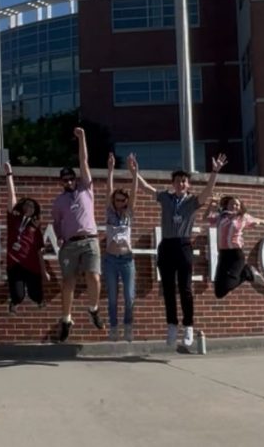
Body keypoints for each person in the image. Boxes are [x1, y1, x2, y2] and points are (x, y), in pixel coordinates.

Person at [136, 153, 226, 350]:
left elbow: (208, 191)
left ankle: (188, 326)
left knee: (185, 288)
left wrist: (214, 172)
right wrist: (135, 172)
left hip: (184, 245)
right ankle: (171, 325)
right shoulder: (165, 198)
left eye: (184, 181)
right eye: (177, 181)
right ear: (173, 183)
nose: (180, 184)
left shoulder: (192, 201)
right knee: (167, 288)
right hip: (166, 246)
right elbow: (145, 188)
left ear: (188, 185)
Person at [50, 127, 104, 342]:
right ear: (61, 182)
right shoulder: (59, 202)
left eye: (71, 179)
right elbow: (56, 223)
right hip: (70, 244)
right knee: (68, 282)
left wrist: (82, 138)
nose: (69, 182)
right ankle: (66, 319)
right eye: (65, 180)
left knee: (93, 276)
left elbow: (84, 161)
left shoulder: (86, 190)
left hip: (90, 239)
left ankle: (93, 308)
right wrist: (60, 236)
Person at [209, 195, 264, 298]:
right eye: (232, 204)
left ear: (240, 207)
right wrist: (212, 203)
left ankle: (247, 272)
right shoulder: (221, 216)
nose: (234, 206)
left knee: (229, 285)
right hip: (223, 255)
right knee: (219, 292)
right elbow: (206, 218)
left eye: (237, 204)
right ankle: (247, 273)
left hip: (235, 255)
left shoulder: (243, 217)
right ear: (227, 205)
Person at [3, 163, 49, 313]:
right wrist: (9, 175)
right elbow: (11, 197)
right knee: (18, 295)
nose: (29, 209)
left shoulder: (35, 228)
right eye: (26, 206)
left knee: (36, 295)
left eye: (32, 207)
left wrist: (44, 272)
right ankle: (14, 303)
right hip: (15, 263)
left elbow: (39, 252)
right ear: (22, 207)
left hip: (32, 265)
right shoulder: (14, 220)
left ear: (35, 211)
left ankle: (40, 300)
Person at [103, 152, 139, 342]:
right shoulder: (109, 212)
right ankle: (114, 327)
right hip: (110, 259)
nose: (120, 203)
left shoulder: (128, 214)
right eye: (117, 200)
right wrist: (110, 170)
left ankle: (128, 325)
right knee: (112, 297)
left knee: (129, 296)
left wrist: (134, 173)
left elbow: (134, 193)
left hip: (126, 259)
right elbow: (109, 190)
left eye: (123, 201)